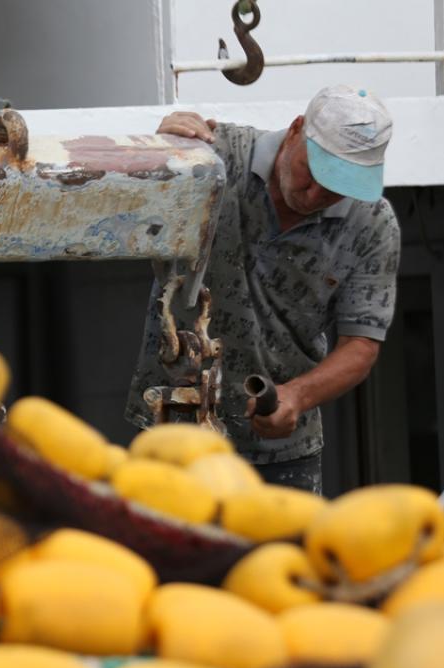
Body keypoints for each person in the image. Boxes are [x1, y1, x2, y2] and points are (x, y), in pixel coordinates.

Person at [126, 85, 400, 495]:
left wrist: (298, 396)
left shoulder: (373, 225)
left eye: (336, 187)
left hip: (282, 450)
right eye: (313, 172)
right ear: (295, 130)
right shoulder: (213, 155)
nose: (316, 195)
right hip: (171, 424)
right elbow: (138, 205)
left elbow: (361, 347)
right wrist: (160, 150)